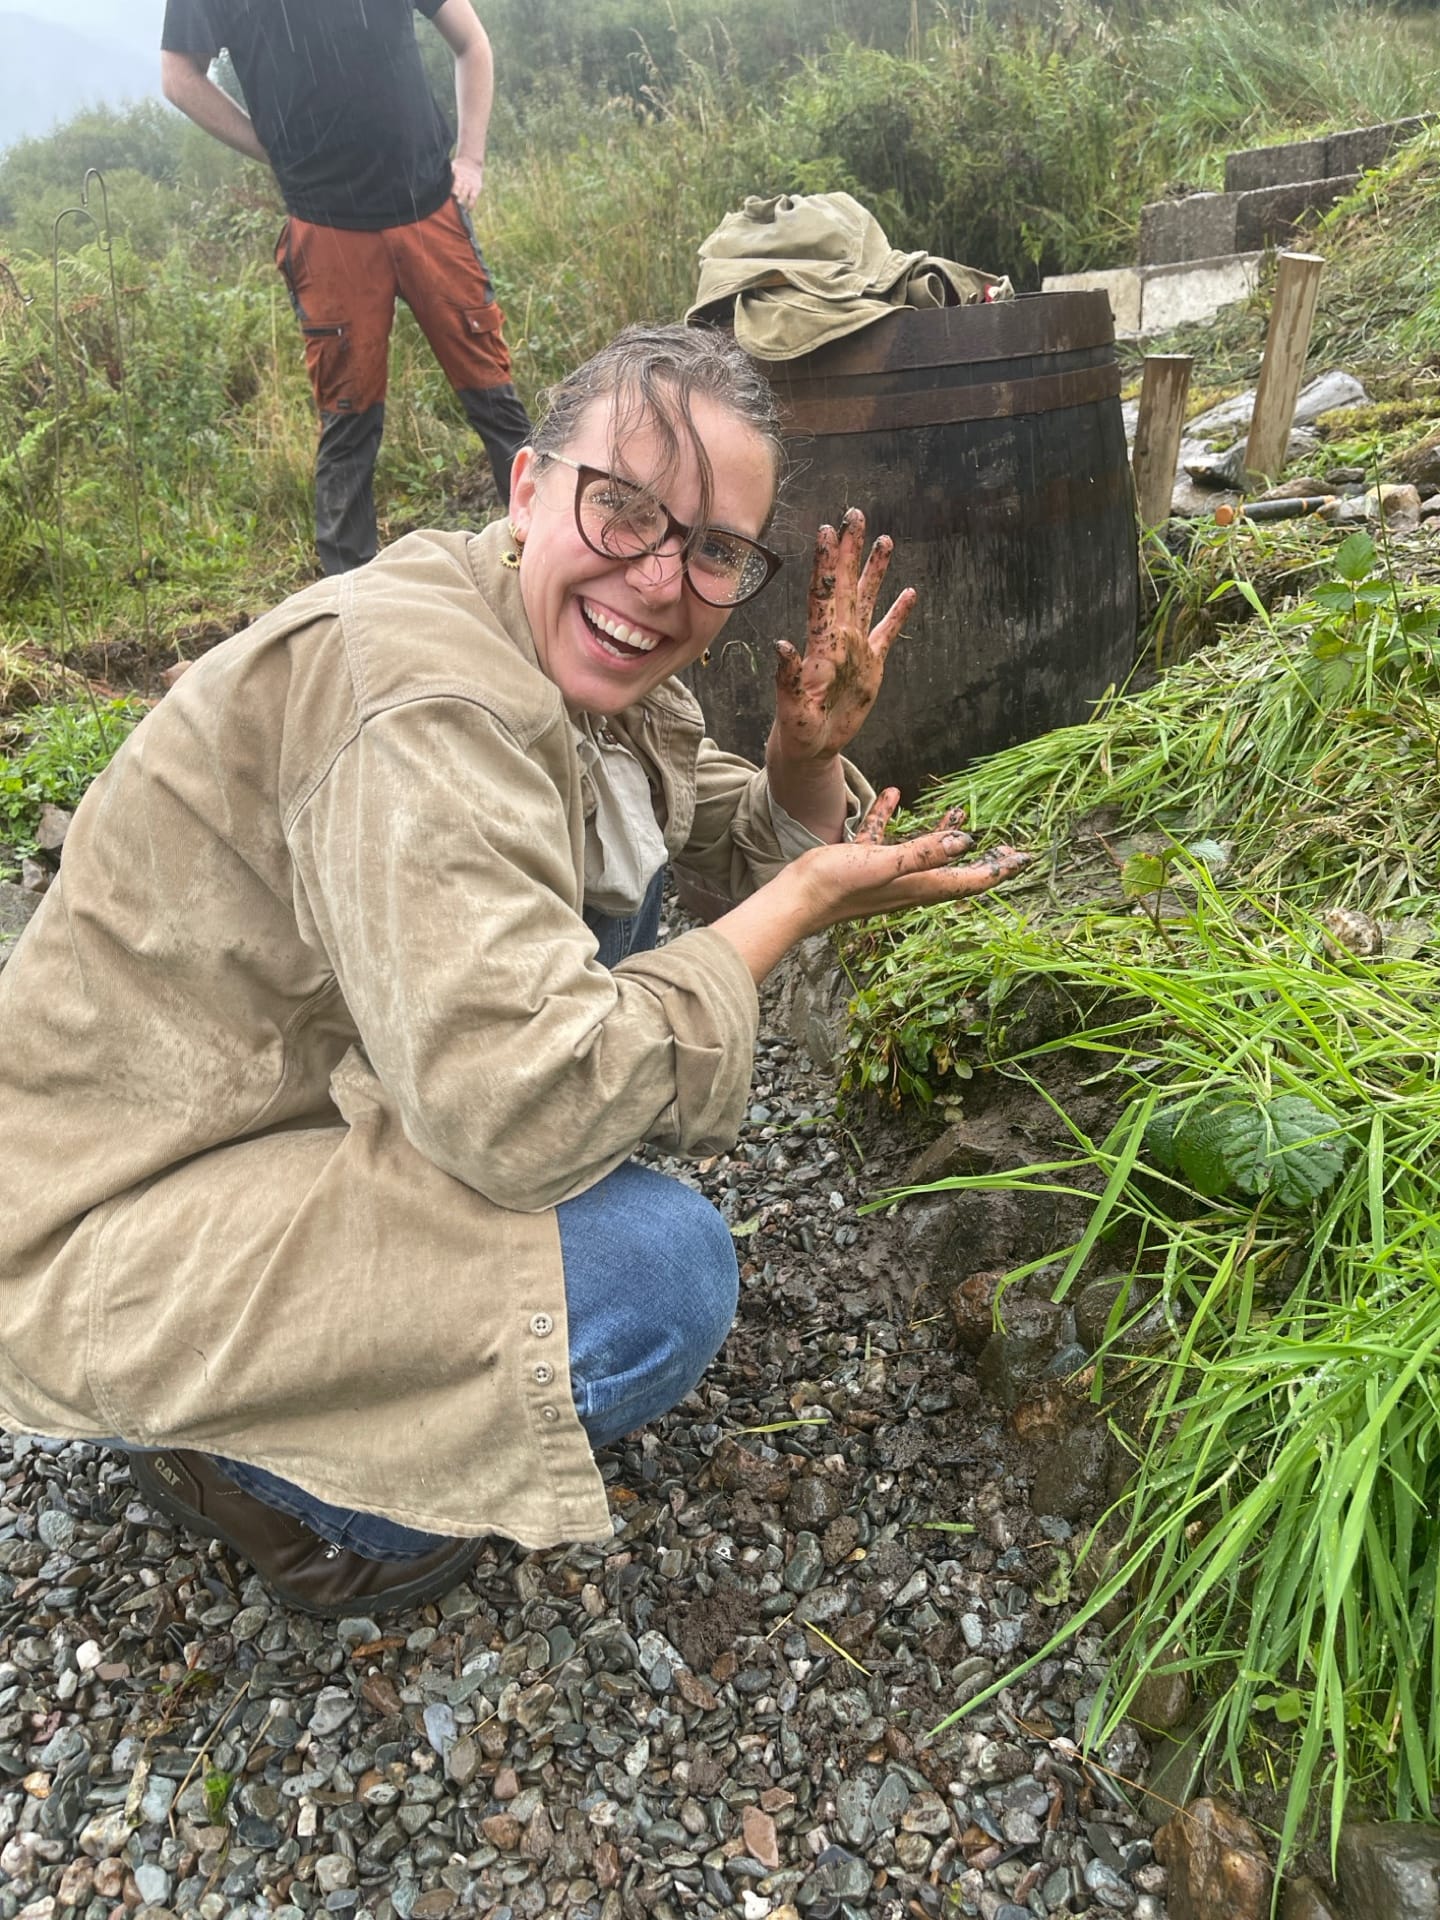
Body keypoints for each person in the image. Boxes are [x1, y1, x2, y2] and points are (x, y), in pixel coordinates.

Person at [0, 324, 1027, 1618]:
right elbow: (527, 1117)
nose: (661, 578)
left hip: (274, 1114)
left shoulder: (552, 633)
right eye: (625, 509)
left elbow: (693, 831)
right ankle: (254, 1469)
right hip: (106, 1217)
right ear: (530, 487)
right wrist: (803, 899)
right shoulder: (423, 699)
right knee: (654, 1278)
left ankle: (338, 1343)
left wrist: (804, 759)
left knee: (615, 914)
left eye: (713, 549)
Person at [159, 0, 532, 575]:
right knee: (349, 425)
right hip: (326, 225)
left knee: (496, 402)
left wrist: (472, 158)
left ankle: (543, 559)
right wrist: (275, 149)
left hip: (429, 206)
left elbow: (471, 42)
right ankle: (350, 599)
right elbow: (179, 76)